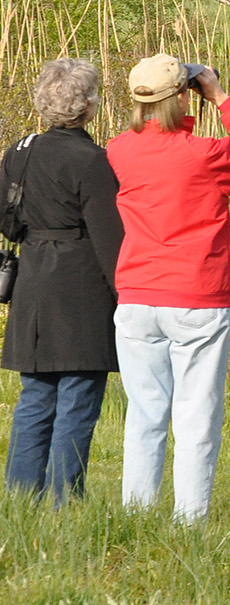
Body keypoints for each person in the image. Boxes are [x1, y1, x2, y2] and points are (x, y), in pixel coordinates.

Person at [106, 54, 230, 522]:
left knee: (144, 414)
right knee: (196, 417)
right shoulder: (202, 155)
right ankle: (189, 520)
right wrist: (220, 96)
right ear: (181, 96)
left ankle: (137, 516)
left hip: (138, 294)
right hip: (195, 296)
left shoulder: (118, 149)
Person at [0, 58, 122, 505]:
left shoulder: (18, 152)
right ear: (87, 105)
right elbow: (111, 240)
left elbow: (7, 225)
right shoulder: (92, 160)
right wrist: (125, 297)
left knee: (35, 397)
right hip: (81, 285)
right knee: (77, 396)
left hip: (32, 279)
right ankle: (64, 501)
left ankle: (19, 499)